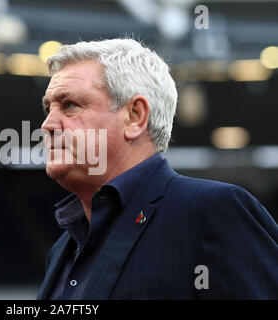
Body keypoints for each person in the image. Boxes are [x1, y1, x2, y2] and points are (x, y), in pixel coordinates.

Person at [36, 38, 278, 299]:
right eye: (49, 108)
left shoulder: (214, 211)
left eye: (69, 105)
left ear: (135, 116)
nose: (48, 125)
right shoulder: (62, 248)